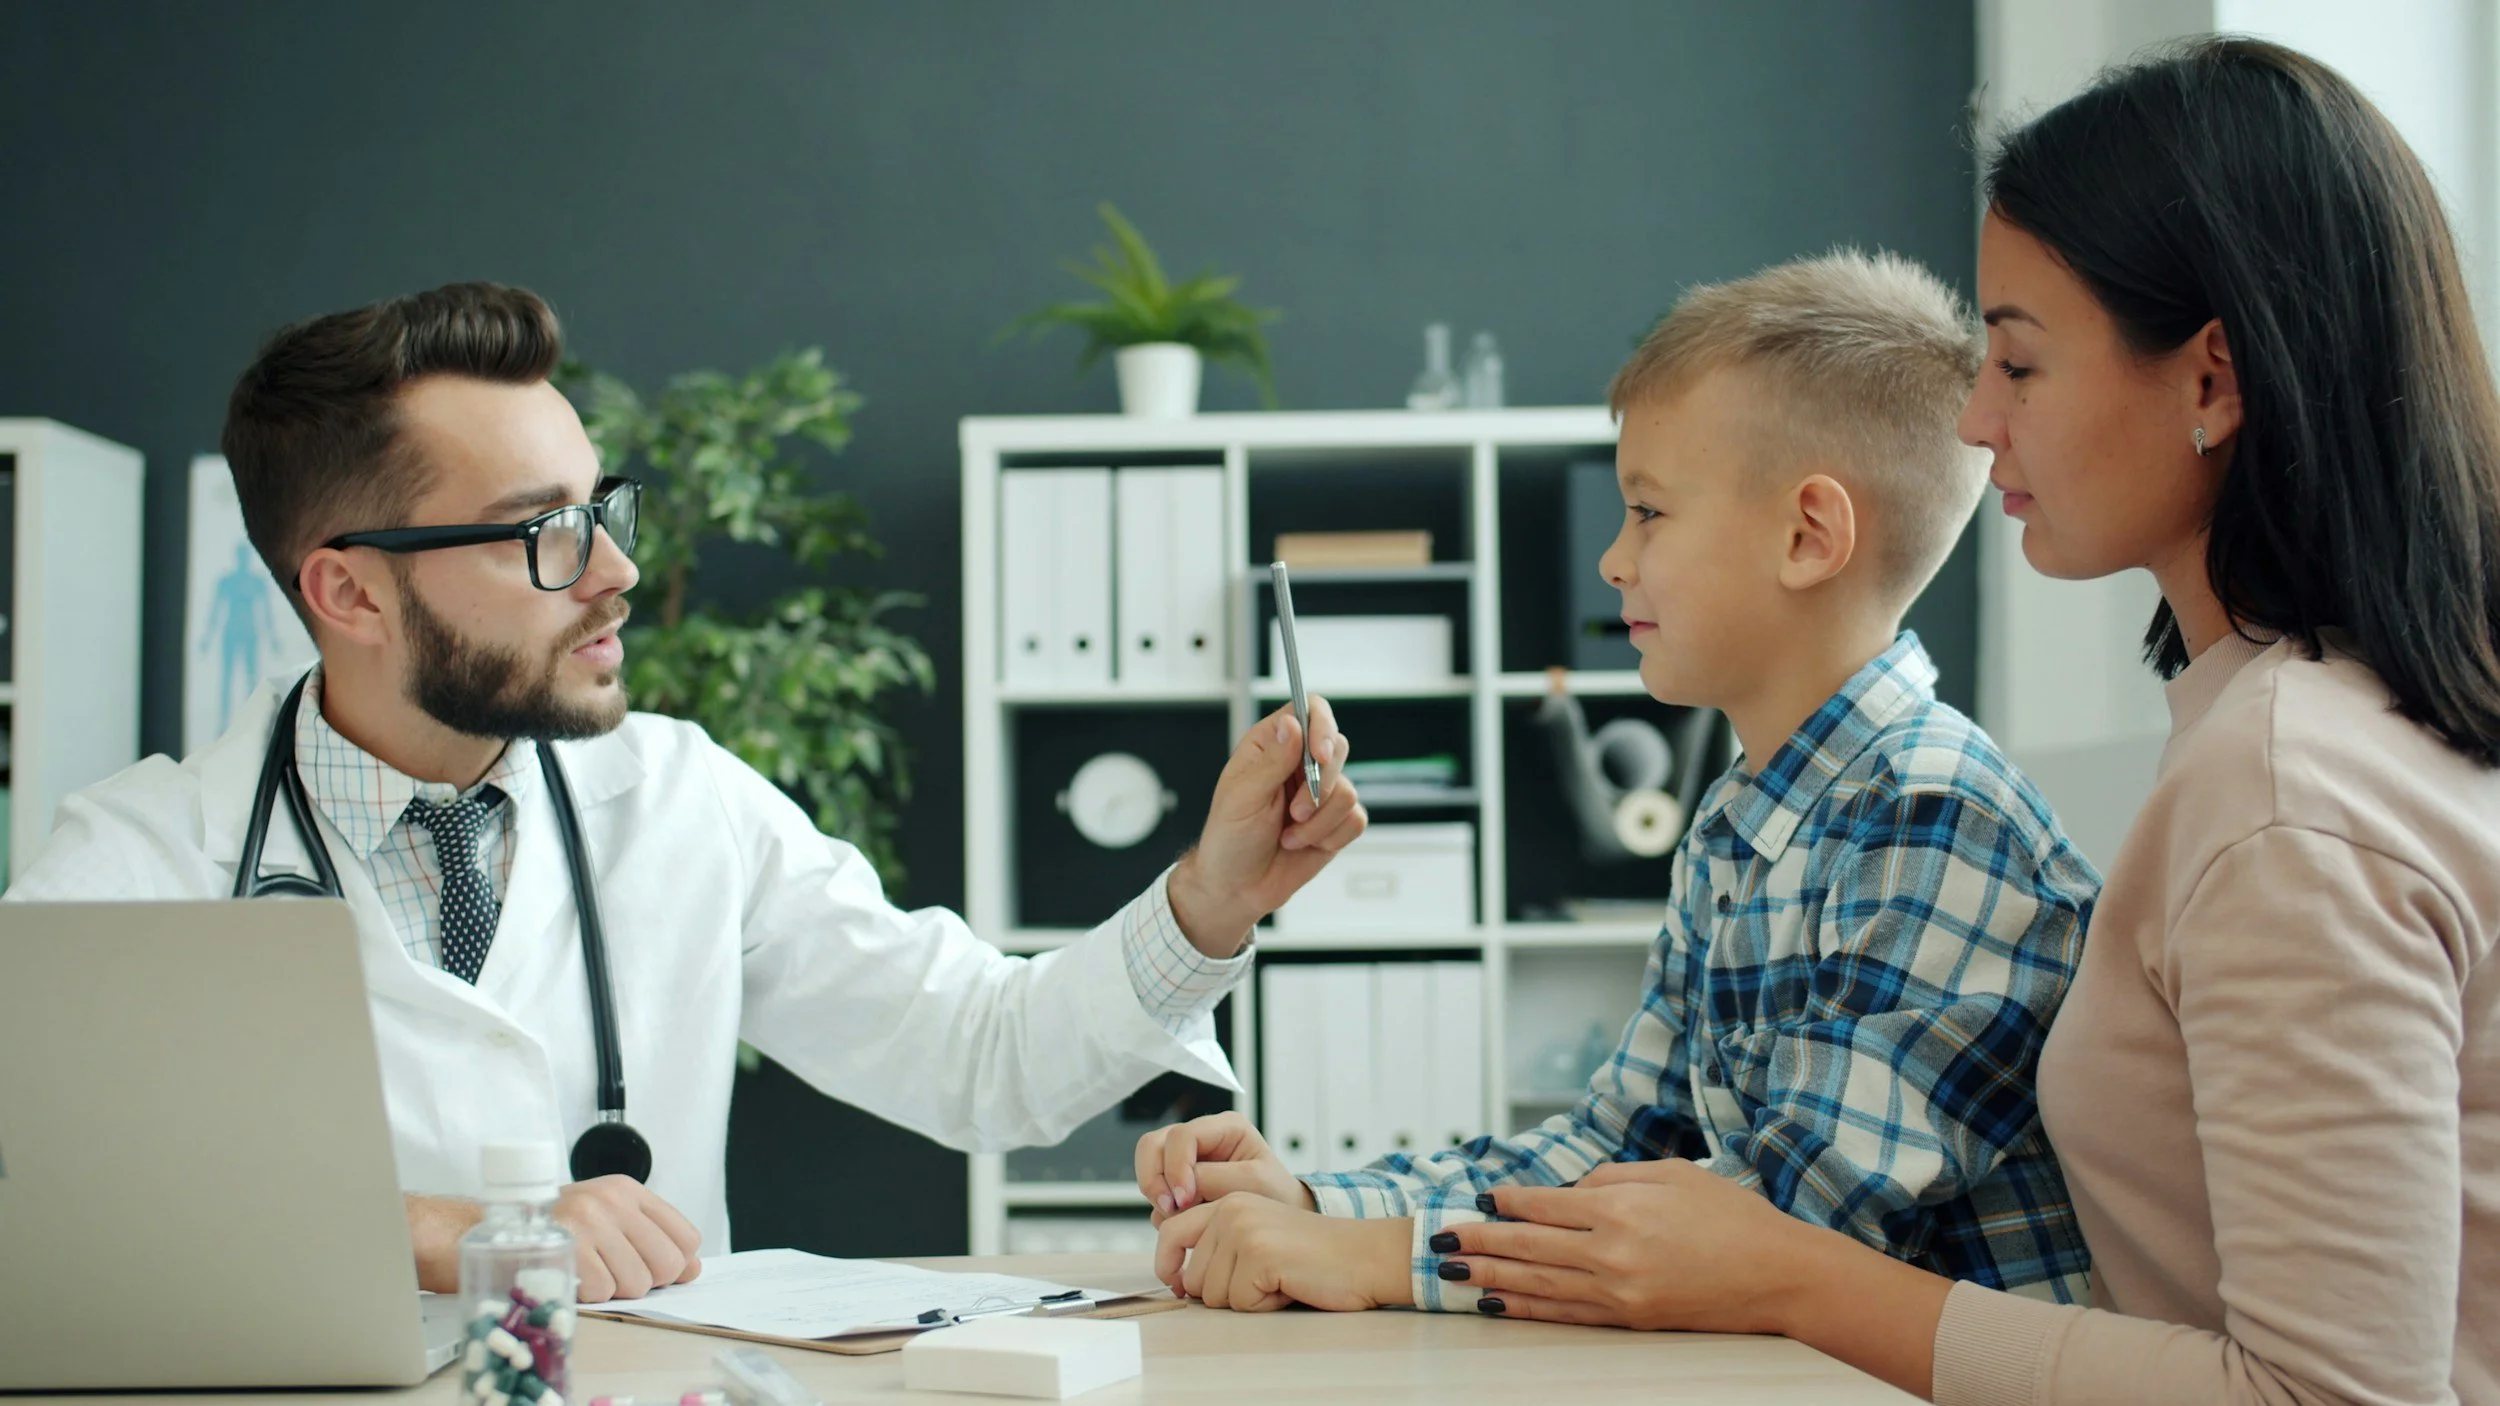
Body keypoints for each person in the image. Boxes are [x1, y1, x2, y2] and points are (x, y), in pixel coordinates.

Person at [1400, 39, 2500, 1405]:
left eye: (2021, 365)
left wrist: (1787, 1273)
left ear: (2211, 380)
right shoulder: (2279, 742)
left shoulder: (2287, 797)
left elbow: (2336, 1398)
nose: (1978, 418)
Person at [8, 282, 1370, 1303]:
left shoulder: (678, 798)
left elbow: (983, 1054)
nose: (609, 568)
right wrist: (436, 1227)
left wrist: (1208, 900)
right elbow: (40, 1197)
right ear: (349, 588)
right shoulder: (141, 862)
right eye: (544, 529)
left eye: (606, 506)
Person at [1139, 250, 2100, 1315]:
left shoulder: (1934, 820)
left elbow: (1775, 1228)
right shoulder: (1743, 820)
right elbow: (1620, 1143)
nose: (1612, 560)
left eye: (1646, 512)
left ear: (1806, 535)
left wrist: (1374, 1260)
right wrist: (1321, 1202)